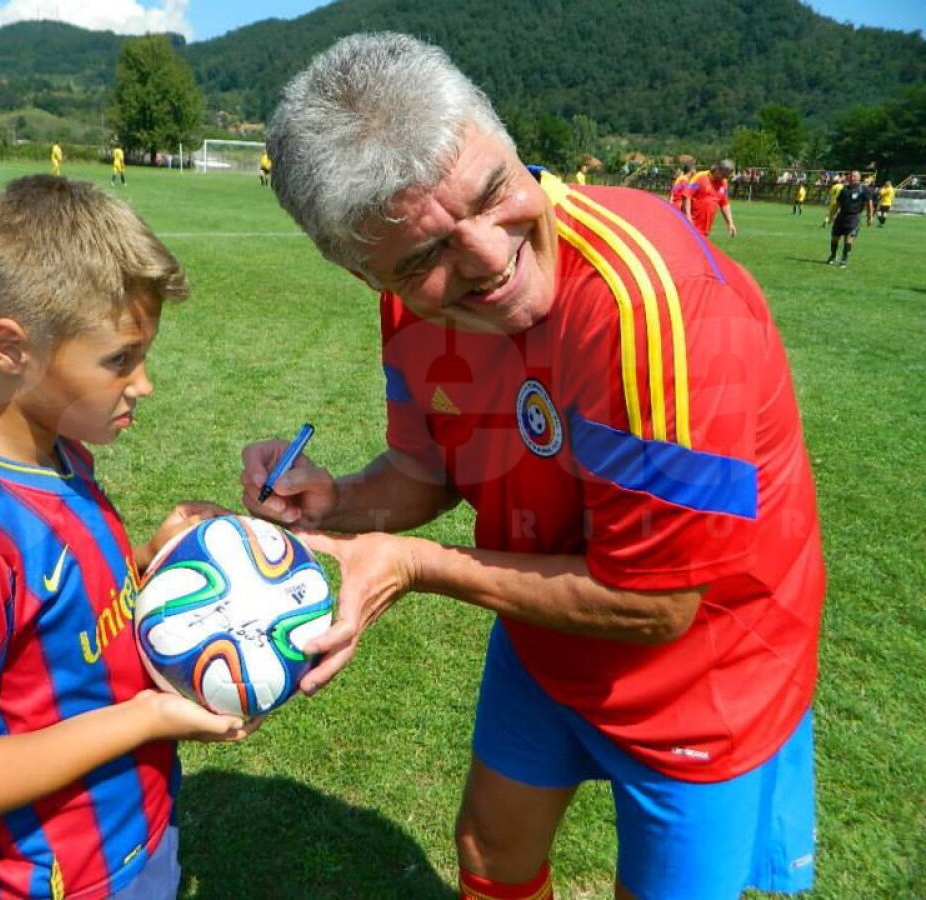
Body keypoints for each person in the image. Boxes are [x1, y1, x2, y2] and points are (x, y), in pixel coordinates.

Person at [246, 33, 824, 900]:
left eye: (493, 194)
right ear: (366, 274)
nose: (488, 258)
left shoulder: (652, 305)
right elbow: (428, 471)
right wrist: (335, 500)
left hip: (709, 668)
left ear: (509, 142)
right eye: (424, 259)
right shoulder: (410, 312)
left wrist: (414, 564)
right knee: (489, 854)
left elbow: (657, 604)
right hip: (546, 636)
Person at [0, 175, 257, 898]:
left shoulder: (58, 454)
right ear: (13, 348)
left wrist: (154, 558)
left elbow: (58, 619)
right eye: (120, 359)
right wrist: (146, 718)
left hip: (136, 834)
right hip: (55, 879)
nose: (144, 384)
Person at [825, 169, 873, 268]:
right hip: (841, 216)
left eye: (854, 176)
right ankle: (833, 256)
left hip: (853, 217)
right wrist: (831, 215)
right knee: (834, 238)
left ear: (859, 178)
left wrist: (869, 217)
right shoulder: (844, 189)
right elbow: (837, 204)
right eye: (850, 176)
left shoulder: (864, 189)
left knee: (848, 238)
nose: (852, 178)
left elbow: (869, 203)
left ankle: (844, 259)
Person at [682, 159, 737, 237]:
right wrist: (688, 217)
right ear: (718, 170)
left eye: (726, 177)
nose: (724, 178)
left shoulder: (724, 183)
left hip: (705, 228)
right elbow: (686, 195)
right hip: (690, 225)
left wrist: (730, 223)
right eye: (724, 175)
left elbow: (724, 204)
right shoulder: (700, 177)